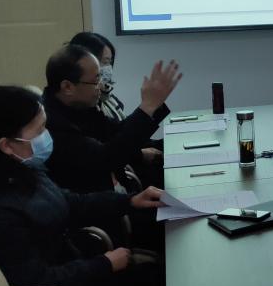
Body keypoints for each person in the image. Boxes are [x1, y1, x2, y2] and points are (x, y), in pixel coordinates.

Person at [0, 85, 164, 286]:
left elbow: (66, 202)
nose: (46, 136)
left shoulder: (16, 166)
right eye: (39, 131)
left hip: (72, 266)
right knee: (157, 285)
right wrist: (104, 264)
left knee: (157, 269)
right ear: (7, 145)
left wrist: (130, 201)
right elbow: (36, 283)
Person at [42, 44, 180, 195]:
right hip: (94, 203)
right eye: (95, 81)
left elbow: (116, 132)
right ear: (67, 87)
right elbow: (106, 158)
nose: (101, 86)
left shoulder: (80, 106)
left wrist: (151, 108)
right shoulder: (51, 123)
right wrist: (147, 108)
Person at [69, 31, 125, 121]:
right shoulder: (81, 105)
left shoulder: (107, 97)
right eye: (105, 62)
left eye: (110, 62)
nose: (108, 68)